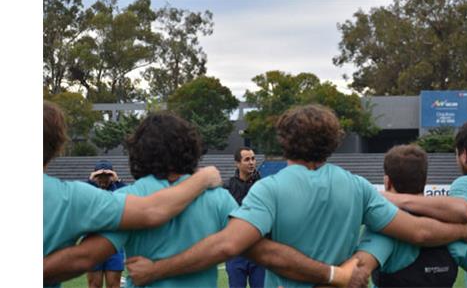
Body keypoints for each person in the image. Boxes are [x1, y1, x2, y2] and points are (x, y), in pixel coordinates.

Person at [123, 104, 467, 288]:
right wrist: (462, 231)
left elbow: (226, 246)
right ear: (333, 142)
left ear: (285, 141)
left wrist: (157, 271)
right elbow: (419, 233)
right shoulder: (353, 185)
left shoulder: (270, 188)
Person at [43, 111, 362, 287]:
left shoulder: (130, 198)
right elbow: (263, 251)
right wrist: (329, 274)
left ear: (138, 151)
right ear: (190, 149)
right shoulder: (218, 198)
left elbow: (84, 258)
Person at [43, 101, 221, 287]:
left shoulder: (124, 193)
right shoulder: (71, 197)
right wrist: (204, 177)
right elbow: (153, 211)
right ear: (57, 145)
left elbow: (85, 257)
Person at [351, 144, 467, 287]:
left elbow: (357, 272)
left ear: (387, 182)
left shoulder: (385, 228)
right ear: (425, 181)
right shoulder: (457, 230)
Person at [382, 119, 467, 288]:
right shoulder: (457, 242)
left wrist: (393, 199)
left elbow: (463, 211)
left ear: (463, 155)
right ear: (425, 181)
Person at [224, 147, 265, 288]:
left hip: (259, 250)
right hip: (236, 252)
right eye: (247, 159)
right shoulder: (227, 187)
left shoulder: (264, 186)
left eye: (253, 158)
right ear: (237, 163)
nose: (251, 162)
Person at [86, 160, 126, 288]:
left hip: (114, 244)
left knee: (114, 284)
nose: (103, 179)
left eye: (106, 176)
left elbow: (130, 194)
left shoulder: (118, 189)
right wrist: (91, 180)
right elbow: (78, 194)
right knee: (94, 284)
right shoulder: (88, 189)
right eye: (99, 176)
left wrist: (117, 180)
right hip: (92, 244)